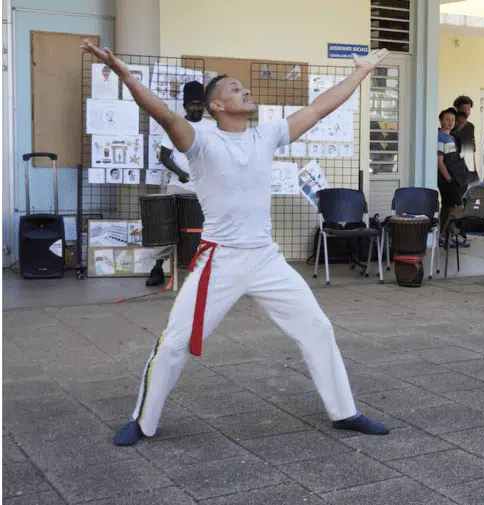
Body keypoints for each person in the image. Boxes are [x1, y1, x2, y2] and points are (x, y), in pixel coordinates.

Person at [82, 40, 391, 447]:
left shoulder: (266, 135)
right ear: (216, 106)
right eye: (233, 89)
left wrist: (359, 73)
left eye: (243, 86)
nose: (244, 90)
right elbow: (161, 112)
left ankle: (345, 412)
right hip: (219, 261)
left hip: (266, 258)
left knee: (317, 327)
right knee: (175, 342)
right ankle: (143, 420)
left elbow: (319, 108)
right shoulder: (201, 141)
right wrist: (124, 74)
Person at [145, 81, 212, 287]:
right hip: (179, 185)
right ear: (184, 106)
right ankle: (157, 267)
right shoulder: (174, 126)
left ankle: (206, 270)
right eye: (192, 104)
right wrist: (180, 173)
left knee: (207, 230)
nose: (197, 108)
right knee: (168, 227)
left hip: (205, 189)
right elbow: (164, 157)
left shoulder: (211, 128)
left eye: (200, 104)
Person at [437, 107, 470, 248]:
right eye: (447, 119)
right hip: (446, 180)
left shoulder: (450, 137)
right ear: (441, 121)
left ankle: (447, 235)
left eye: (452, 120)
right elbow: (440, 162)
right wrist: (449, 180)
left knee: (448, 207)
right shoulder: (440, 136)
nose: (450, 122)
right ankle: (444, 234)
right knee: (459, 206)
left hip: (454, 179)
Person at [453, 95, 477, 178]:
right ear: (457, 110)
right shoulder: (451, 126)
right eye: (464, 109)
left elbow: (472, 150)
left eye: (468, 109)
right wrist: (458, 129)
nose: (467, 112)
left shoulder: (471, 127)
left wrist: (474, 169)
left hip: (469, 169)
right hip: (455, 169)